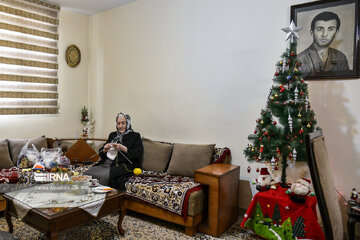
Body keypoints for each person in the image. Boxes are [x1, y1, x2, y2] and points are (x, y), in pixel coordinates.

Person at [84, 112, 143, 190]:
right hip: (106, 163)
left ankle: (102, 197)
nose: (120, 126)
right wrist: (105, 149)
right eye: (118, 123)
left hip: (123, 165)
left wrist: (123, 148)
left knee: (104, 176)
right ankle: (89, 194)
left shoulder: (135, 136)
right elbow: (101, 153)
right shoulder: (112, 135)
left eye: (123, 123)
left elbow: (138, 154)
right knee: (87, 173)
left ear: (128, 123)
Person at [298, 11, 349, 76]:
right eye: (319, 29)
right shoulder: (299, 59)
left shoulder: (341, 57)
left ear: (336, 32)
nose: (324, 34)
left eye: (330, 29)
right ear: (312, 32)